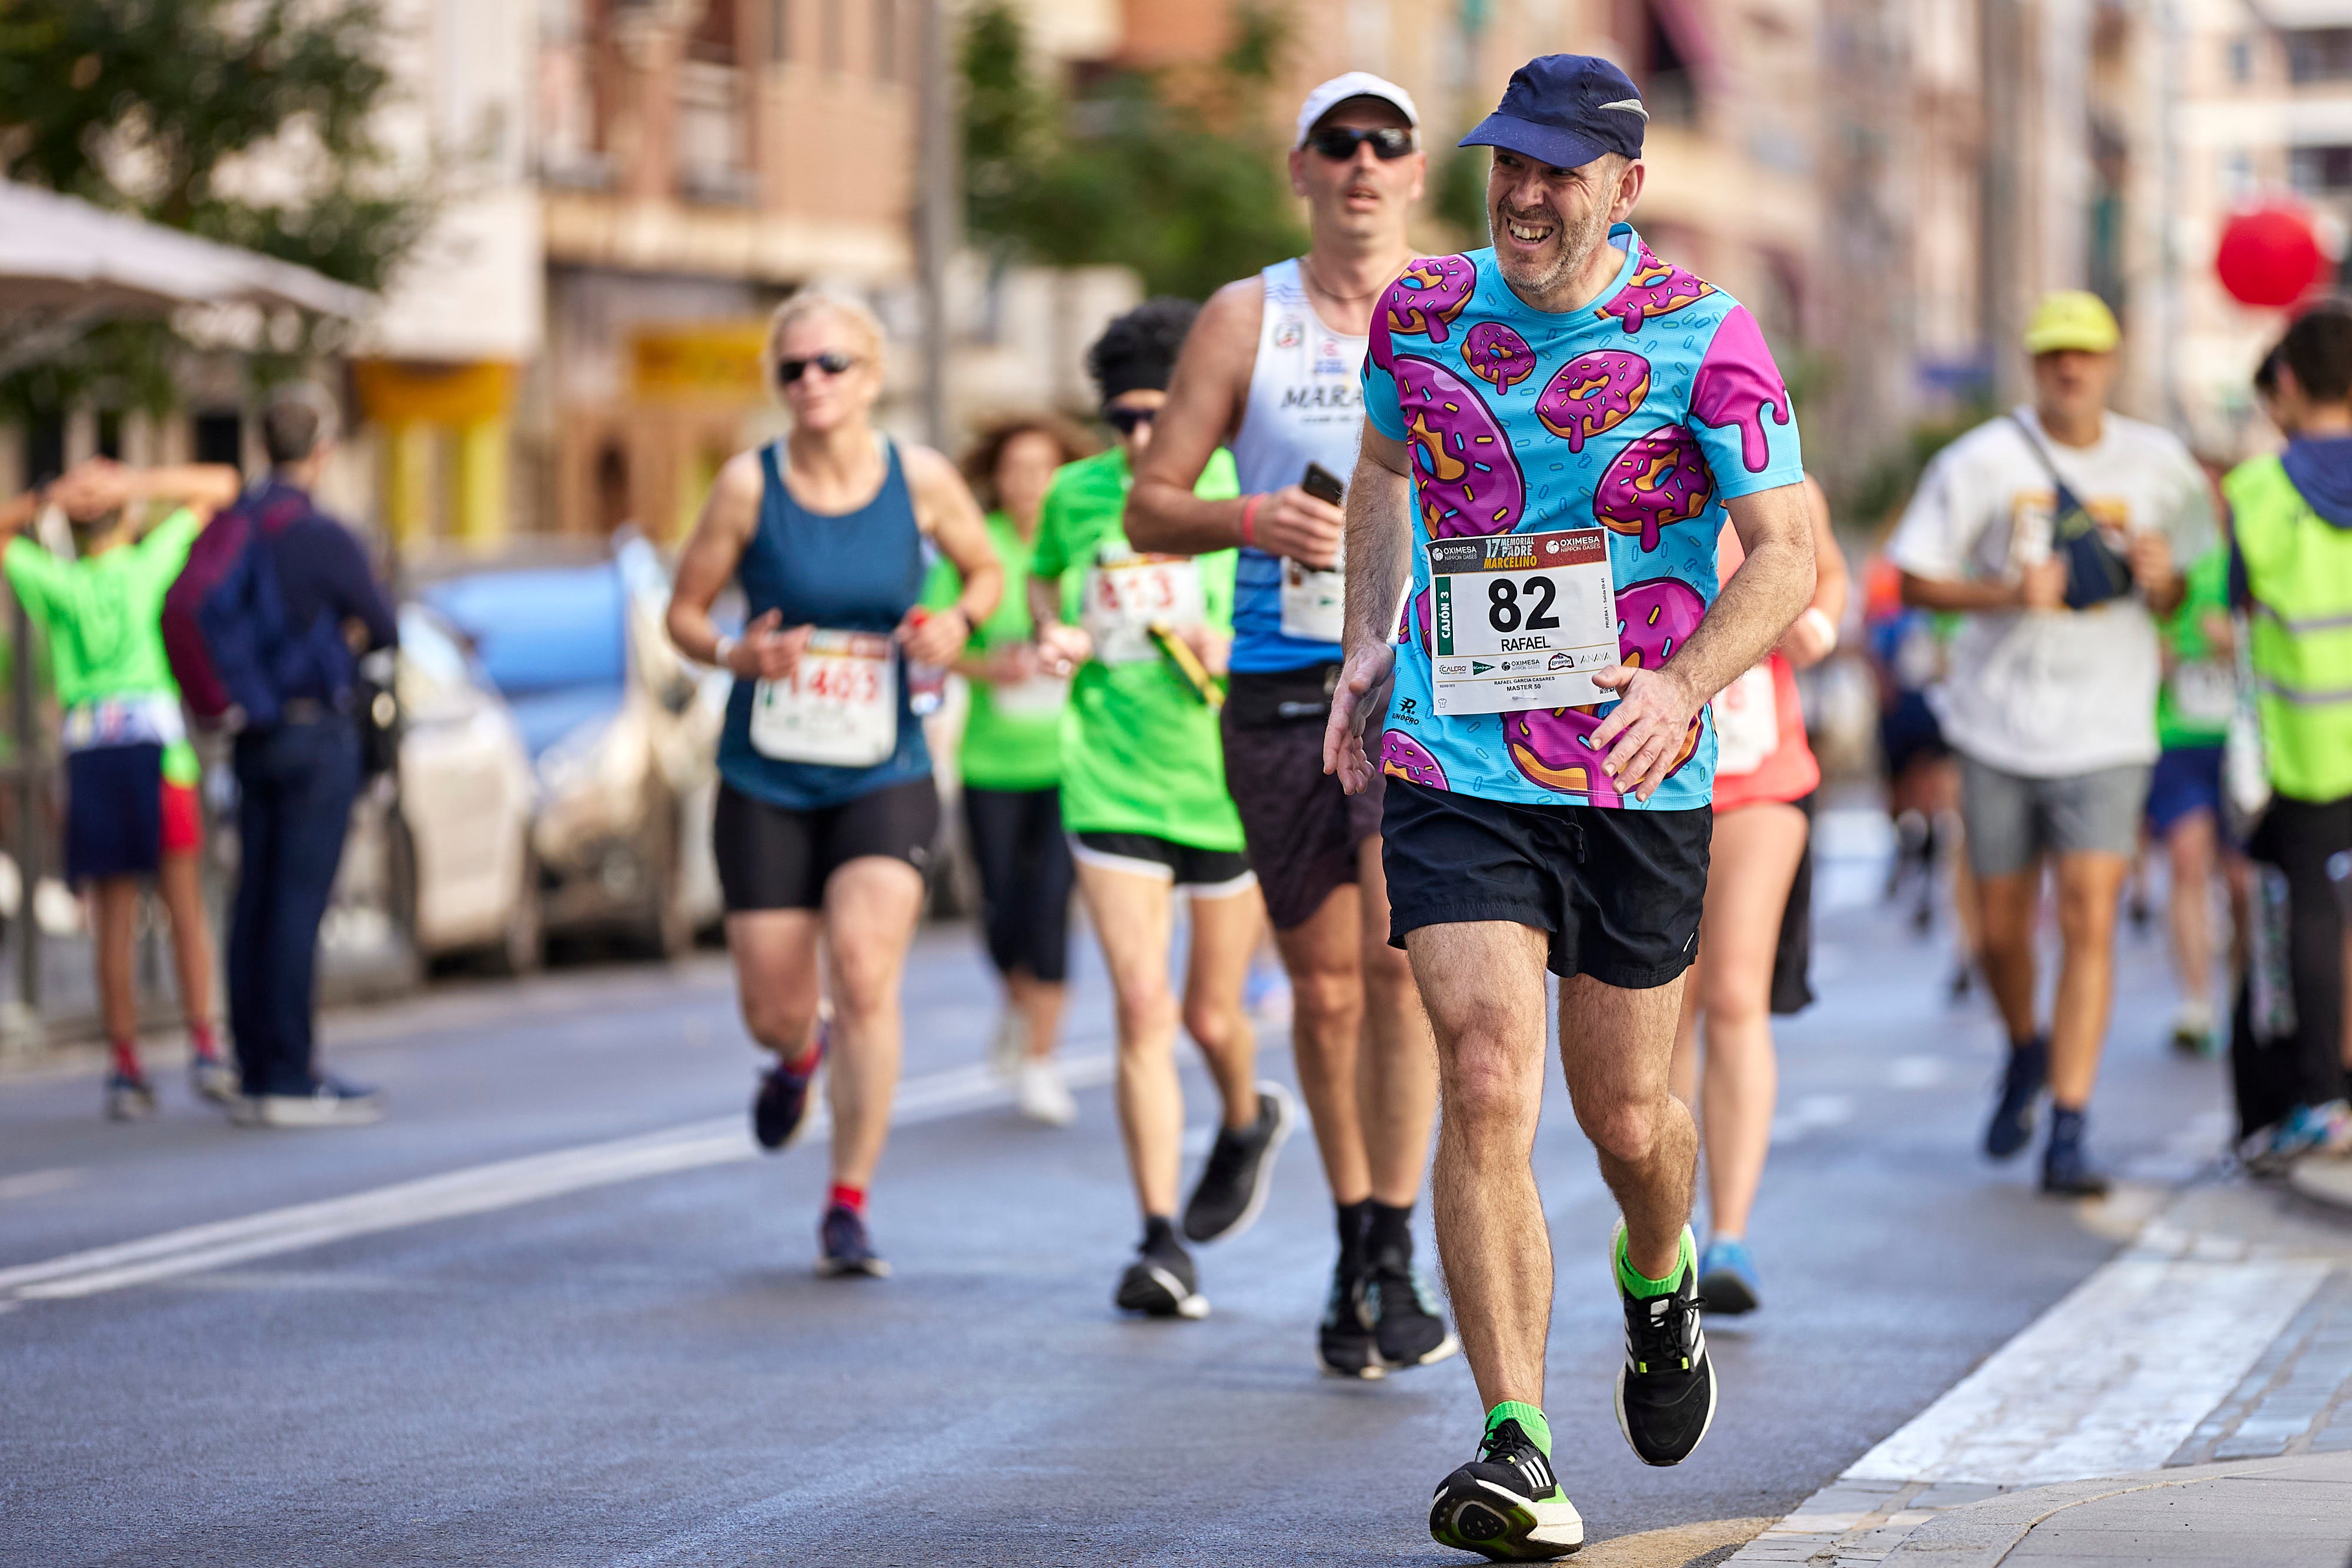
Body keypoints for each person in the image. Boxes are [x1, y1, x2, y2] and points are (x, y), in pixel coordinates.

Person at [1324, 56, 1816, 1561]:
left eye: (1556, 171)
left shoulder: (1702, 337)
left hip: (1631, 765)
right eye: (1507, 167)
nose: (1524, 196)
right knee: (1482, 1072)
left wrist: (1682, 686)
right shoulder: (1419, 313)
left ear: (1623, 186)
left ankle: (1656, 1274)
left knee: (1625, 1117)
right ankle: (1516, 1442)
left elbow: (1787, 554)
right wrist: (1364, 639)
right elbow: (1378, 474)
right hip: (1455, 753)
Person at [1124, 72, 1454, 1379]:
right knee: (1320, 991)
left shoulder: (1460, 307)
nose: (1363, 163)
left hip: (1426, 678)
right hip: (1275, 678)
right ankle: (1353, 1236)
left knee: (1399, 971)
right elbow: (1151, 505)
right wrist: (1246, 518)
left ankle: (1398, 1247)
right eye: (1339, 143)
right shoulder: (1239, 317)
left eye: (1386, 144)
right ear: (1302, 169)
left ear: (1417, 175)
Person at [666, 293, 1001, 1276]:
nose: (813, 382)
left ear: (872, 377)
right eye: (794, 369)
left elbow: (980, 573)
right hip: (767, 769)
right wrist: (735, 651)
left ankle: (848, 1200)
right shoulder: (745, 486)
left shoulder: (921, 477)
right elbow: (682, 614)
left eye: (834, 364)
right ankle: (795, 1054)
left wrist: (956, 623)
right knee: (775, 1004)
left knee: (862, 971)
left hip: (884, 764)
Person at [1890, 291, 2212, 1196]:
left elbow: (2185, 590)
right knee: (1998, 929)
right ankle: (2026, 1048)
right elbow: (1914, 578)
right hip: (1995, 723)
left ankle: (2070, 1123)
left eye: (2087, 353)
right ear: (2034, 365)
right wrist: (2005, 592)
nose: (2071, 368)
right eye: (2054, 354)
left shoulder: (2162, 464)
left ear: (2111, 362)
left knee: (2089, 911)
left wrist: (2165, 580)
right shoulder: (1981, 460)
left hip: (2109, 727)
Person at [1028, 299, 1290, 1321]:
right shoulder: (1078, 494)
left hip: (1222, 781)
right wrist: (1053, 636)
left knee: (1208, 1012)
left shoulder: (1239, 487)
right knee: (1139, 1005)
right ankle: (1159, 1240)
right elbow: (1048, 583)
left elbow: (1298, 607)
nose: (1138, 439)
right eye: (1121, 420)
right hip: (1109, 771)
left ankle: (1244, 1114)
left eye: (1156, 415)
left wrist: (1241, 649)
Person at [0, 459, 239, 1120]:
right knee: (186, 907)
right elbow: (219, 486)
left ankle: (126, 1068)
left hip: (92, 752)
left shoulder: (62, 585)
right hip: (159, 757)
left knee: (114, 920)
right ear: (125, 519)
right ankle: (204, 1046)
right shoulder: (143, 569)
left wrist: (45, 497)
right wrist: (133, 482)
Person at [1669, 476, 1847, 1316]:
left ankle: (1730, 1234)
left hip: (1760, 770)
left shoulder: (1774, 463)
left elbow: (1829, 570)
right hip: (1650, 766)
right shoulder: (1611, 434)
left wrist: (1820, 622)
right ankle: (1667, 1233)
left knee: (1737, 990)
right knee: (1667, 1004)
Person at [223, 387, 400, 1129]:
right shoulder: (323, 536)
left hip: (251, 731)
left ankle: (254, 1065)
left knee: (253, 901)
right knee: (299, 905)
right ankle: (294, 1074)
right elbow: (385, 624)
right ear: (321, 451)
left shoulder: (233, 527)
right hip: (313, 732)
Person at [924, 414, 1093, 1125]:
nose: (1030, 485)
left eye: (1044, 470)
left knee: (1050, 904)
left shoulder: (1082, 549)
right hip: (991, 762)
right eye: (1018, 470)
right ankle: (1017, 1006)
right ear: (998, 476)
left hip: (1067, 761)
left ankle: (1042, 1060)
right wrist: (990, 667)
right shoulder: (977, 554)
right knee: (999, 910)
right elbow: (936, 640)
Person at [2226, 306, 2352, 1158]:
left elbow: (2231, 615)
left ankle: (2321, 1097)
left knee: (2313, 912)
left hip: (2306, 739)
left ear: (2290, 384)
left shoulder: (2258, 491)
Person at [2145, 524, 2244, 1055]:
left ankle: (2250, 998)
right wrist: (2158, 657)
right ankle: (2196, 1001)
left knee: (2244, 882)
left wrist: (2234, 641)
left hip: (2242, 740)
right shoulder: (2160, 558)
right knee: (2186, 860)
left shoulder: (2245, 555)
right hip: (2178, 735)